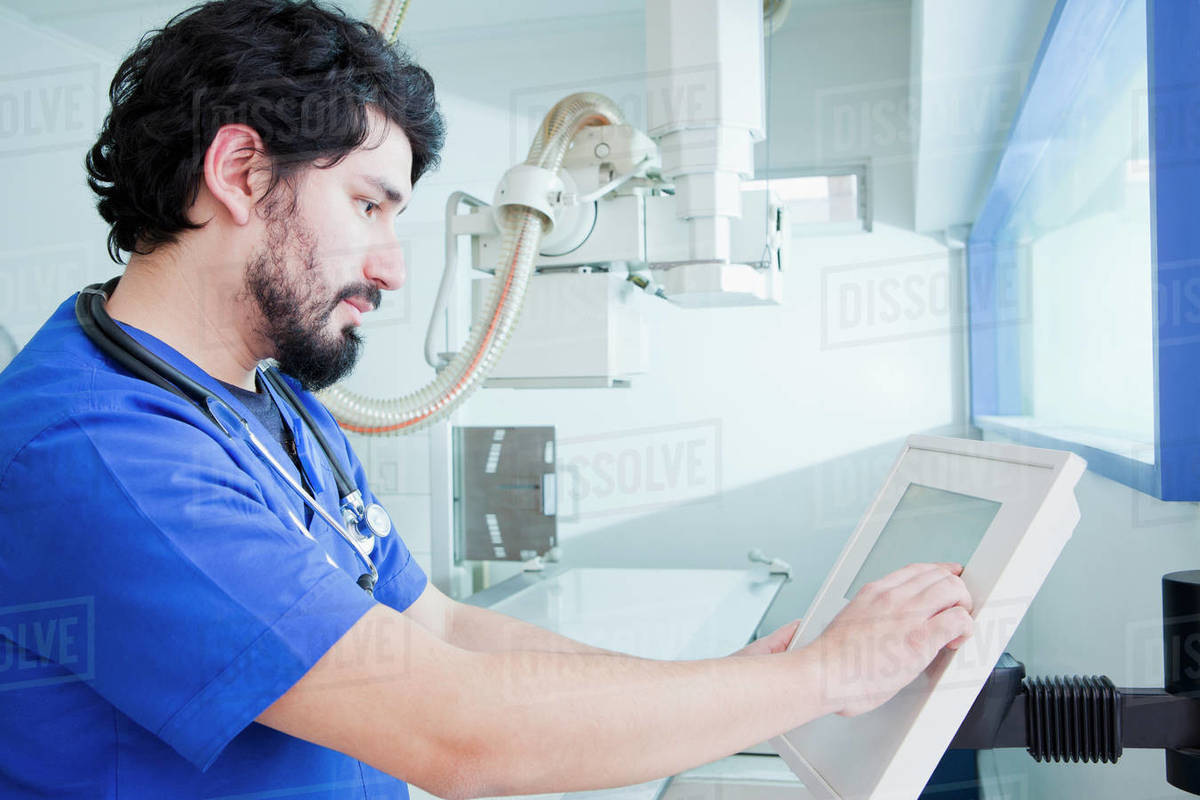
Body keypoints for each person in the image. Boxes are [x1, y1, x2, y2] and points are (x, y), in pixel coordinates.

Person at [0, 1, 974, 798]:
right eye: (368, 204)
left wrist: (731, 684)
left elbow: (444, 629)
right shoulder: (92, 449)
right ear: (241, 173)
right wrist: (823, 675)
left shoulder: (275, 403)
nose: (391, 267)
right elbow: (458, 732)